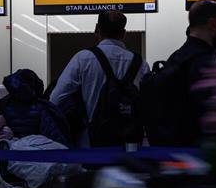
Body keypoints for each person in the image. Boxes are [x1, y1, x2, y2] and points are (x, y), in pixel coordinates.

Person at [49, 10, 149, 147]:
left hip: (91, 144)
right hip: (131, 145)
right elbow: (148, 105)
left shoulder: (83, 58)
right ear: (123, 33)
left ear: (97, 30)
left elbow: (55, 100)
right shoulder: (141, 64)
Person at [141, 0, 216, 147]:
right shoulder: (211, 64)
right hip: (198, 152)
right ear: (213, 24)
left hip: (169, 151)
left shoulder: (174, 59)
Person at [0, 69, 70, 145]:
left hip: (9, 149)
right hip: (35, 150)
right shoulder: (42, 107)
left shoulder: (3, 105)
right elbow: (54, 135)